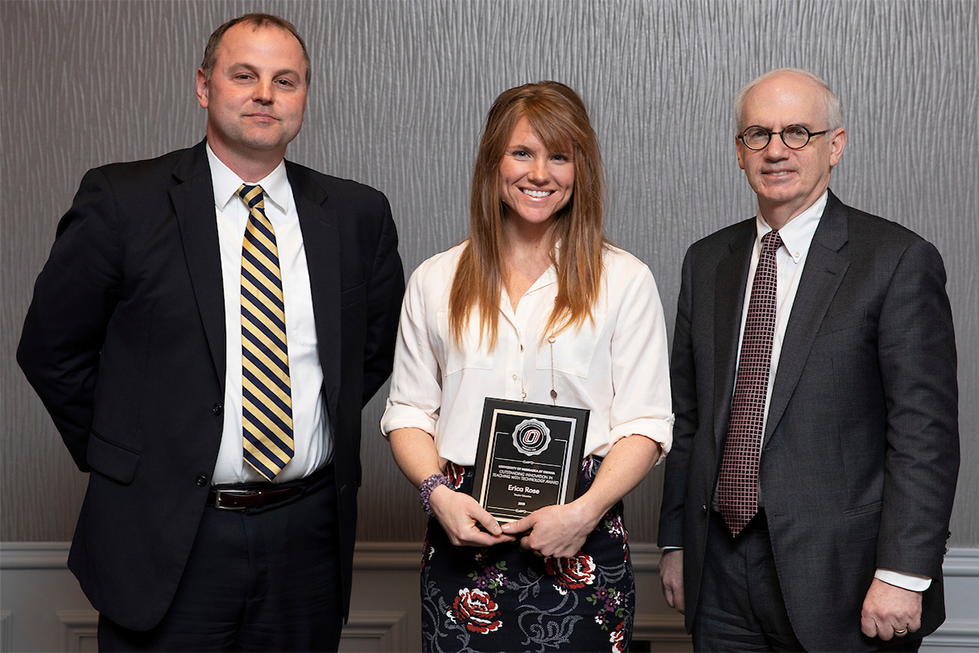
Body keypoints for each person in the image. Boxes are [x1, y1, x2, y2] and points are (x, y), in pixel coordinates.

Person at [17, 13, 403, 652]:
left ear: (304, 95)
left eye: (286, 81)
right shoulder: (123, 201)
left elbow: (369, 351)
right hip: (168, 535)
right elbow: (52, 350)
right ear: (203, 86)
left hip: (306, 539)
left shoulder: (358, 214)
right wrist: (135, 456)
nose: (264, 94)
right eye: (244, 75)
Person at [657, 68, 959, 653]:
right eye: (757, 134)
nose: (775, 150)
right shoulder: (706, 261)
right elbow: (686, 418)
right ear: (738, 153)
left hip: (845, 579)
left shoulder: (896, 261)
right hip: (717, 572)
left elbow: (924, 434)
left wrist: (902, 574)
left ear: (835, 146)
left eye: (797, 132)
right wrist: (675, 541)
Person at [381, 81, 673, 652]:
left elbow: (646, 424)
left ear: (579, 169)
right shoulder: (435, 279)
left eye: (559, 156)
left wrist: (584, 512)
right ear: (494, 161)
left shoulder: (625, 280)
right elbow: (409, 410)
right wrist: (437, 495)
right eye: (523, 153)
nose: (540, 173)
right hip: (462, 528)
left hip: (582, 530)